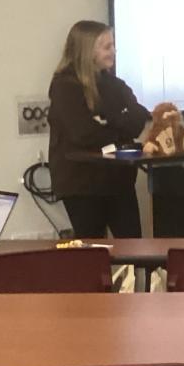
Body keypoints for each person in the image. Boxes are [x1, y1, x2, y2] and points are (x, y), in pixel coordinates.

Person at [48, 20, 150, 238]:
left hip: (118, 180)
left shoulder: (115, 84)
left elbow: (138, 118)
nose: (113, 51)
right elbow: (83, 133)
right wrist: (119, 125)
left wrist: (106, 120)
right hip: (82, 183)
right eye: (107, 47)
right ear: (87, 51)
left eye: (113, 45)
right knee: (93, 248)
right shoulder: (65, 86)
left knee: (133, 245)